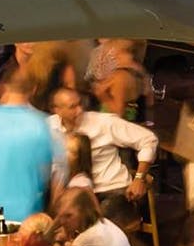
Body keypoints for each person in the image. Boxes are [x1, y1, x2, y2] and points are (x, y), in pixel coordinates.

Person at [0, 69, 63, 240]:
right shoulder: (43, 127)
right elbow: (50, 178)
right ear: (34, 89)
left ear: (3, 88)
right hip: (28, 223)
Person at [47, 84, 157, 228]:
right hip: (75, 195)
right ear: (57, 110)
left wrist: (139, 178)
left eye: (80, 104)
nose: (79, 110)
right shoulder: (48, 127)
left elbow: (148, 139)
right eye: (72, 107)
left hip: (112, 190)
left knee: (96, 228)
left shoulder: (104, 122)